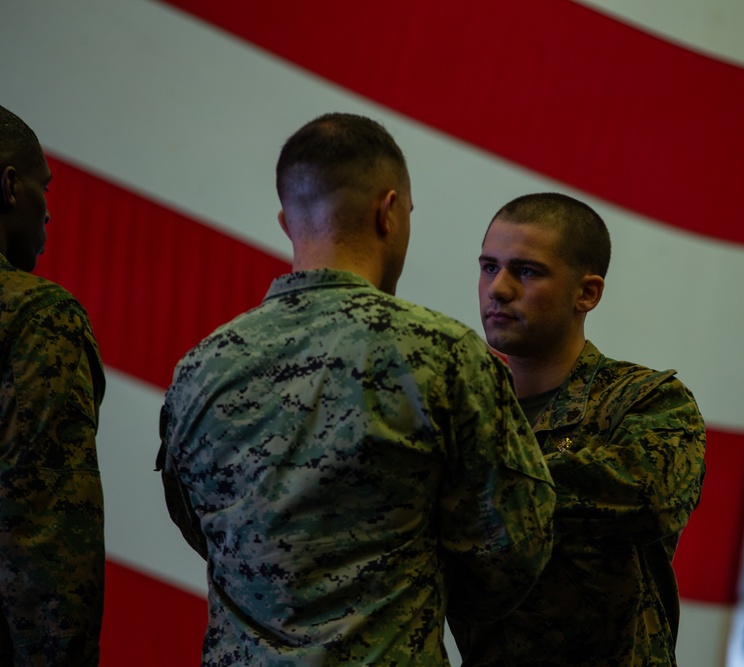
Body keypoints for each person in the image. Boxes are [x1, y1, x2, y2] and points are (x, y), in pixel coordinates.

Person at [156, 113, 555, 666]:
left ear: (286, 221)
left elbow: (199, 527)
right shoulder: (444, 354)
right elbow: (512, 552)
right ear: (388, 212)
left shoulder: (201, 366)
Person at [450, 193, 707, 666]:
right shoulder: (467, 414)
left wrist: (476, 483)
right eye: (489, 267)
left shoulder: (643, 401)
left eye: (526, 271)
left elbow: (651, 494)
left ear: (586, 292)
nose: (498, 289)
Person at [0, 105, 106, 664]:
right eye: (46, 188)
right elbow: (44, 534)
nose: (49, 213)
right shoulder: (36, 316)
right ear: (10, 186)